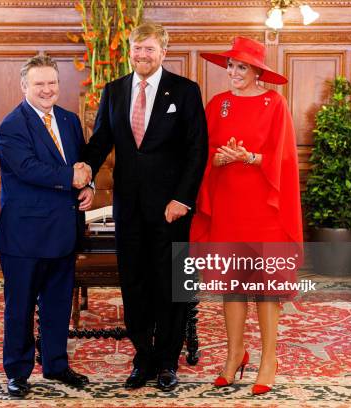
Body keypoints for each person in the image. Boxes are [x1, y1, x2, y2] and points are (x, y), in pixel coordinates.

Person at [82, 22, 208, 391]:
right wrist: (85, 169)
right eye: (136, 48)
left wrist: (182, 198)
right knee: (135, 284)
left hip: (172, 209)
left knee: (171, 284)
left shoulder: (185, 91)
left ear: (163, 51)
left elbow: (196, 149)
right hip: (129, 208)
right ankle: (143, 357)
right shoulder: (115, 90)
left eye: (149, 49)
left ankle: (169, 360)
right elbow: (101, 140)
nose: (142, 55)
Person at [191, 37, 303, 395]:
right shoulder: (217, 104)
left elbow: (284, 157)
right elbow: (203, 151)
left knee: (266, 287)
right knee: (231, 283)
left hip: (264, 206)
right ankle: (234, 354)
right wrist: (219, 159)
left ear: (257, 71)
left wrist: (249, 158)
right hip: (227, 202)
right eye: (230, 66)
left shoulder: (275, 102)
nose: (234, 72)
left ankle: (269, 359)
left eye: (241, 66)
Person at [0, 54, 93, 398]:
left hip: (63, 231)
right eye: (39, 84)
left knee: (57, 303)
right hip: (24, 235)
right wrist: (72, 177)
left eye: (52, 83)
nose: (47, 89)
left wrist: (88, 187)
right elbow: (28, 168)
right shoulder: (12, 125)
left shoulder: (68, 119)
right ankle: (17, 372)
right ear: (24, 86)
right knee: (19, 306)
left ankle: (56, 364)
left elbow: (81, 164)